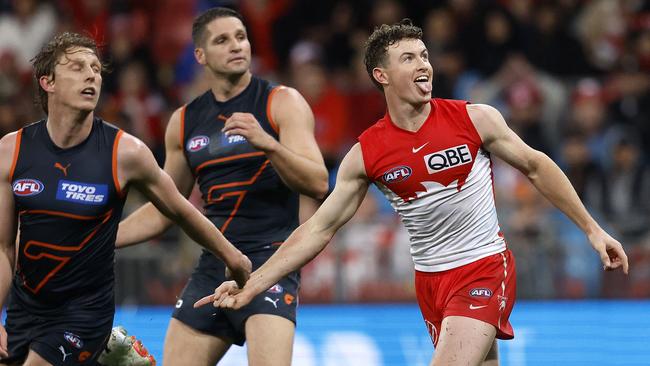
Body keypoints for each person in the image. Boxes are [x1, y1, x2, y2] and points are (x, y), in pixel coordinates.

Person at [196, 19, 629, 366]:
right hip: (429, 284)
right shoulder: (367, 153)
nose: (424, 65)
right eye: (409, 58)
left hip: (482, 268)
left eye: (425, 55)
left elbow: (536, 166)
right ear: (382, 75)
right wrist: (252, 285)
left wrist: (593, 229)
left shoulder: (474, 118)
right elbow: (317, 229)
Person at [0, 32, 251, 366]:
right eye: (77, 67)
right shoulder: (11, 151)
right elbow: (4, 248)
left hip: (85, 313)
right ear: (48, 82)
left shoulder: (125, 153)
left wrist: (234, 259)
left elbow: (180, 210)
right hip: (25, 308)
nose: (91, 74)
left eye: (95, 68)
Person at [115, 7, 328, 366]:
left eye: (241, 37)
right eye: (222, 40)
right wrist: (102, 237)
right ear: (200, 55)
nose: (236, 46)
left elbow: (318, 182)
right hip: (214, 267)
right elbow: (166, 209)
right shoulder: (183, 122)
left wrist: (268, 144)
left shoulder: (281, 102)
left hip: (271, 262)